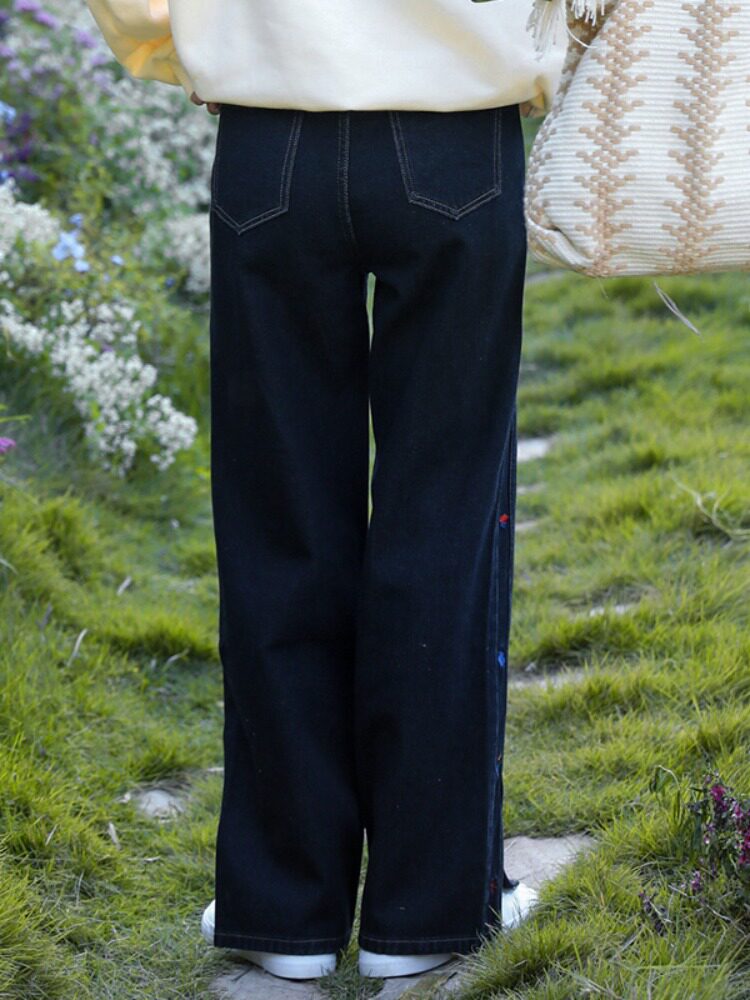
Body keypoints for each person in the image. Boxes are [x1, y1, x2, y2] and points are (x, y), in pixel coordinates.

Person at [86, 0, 567, 983]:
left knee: (279, 521)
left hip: (271, 135)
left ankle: (283, 912)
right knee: (446, 520)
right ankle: (426, 913)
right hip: (457, 127)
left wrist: (180, 38)